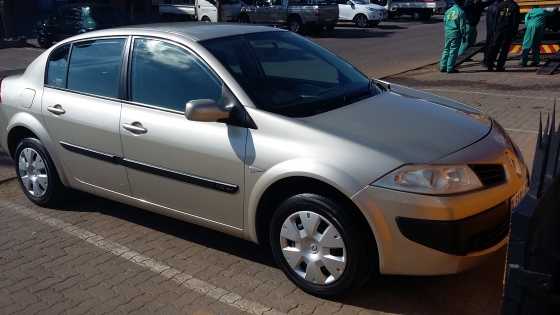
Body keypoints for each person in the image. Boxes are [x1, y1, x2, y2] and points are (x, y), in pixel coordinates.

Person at [484, 0, 520, 71]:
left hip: (498, 29)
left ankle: (490, 65)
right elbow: (515, 21)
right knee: (504, 49)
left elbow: (496, 18)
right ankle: (499, 66)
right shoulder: (514, 6)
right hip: (508, 30)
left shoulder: (500, 5)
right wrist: (514, 32)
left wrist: (494, 30)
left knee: (495, 47)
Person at [440, 0, 467, 73]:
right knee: (453, 51)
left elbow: (445, 21)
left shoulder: (448, 11)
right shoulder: (461, 12)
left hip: (448, 32)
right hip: (455, 33)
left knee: (446, 49)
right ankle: (450, 68)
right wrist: (464, 35)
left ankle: (443, 66)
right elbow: (462, 26)